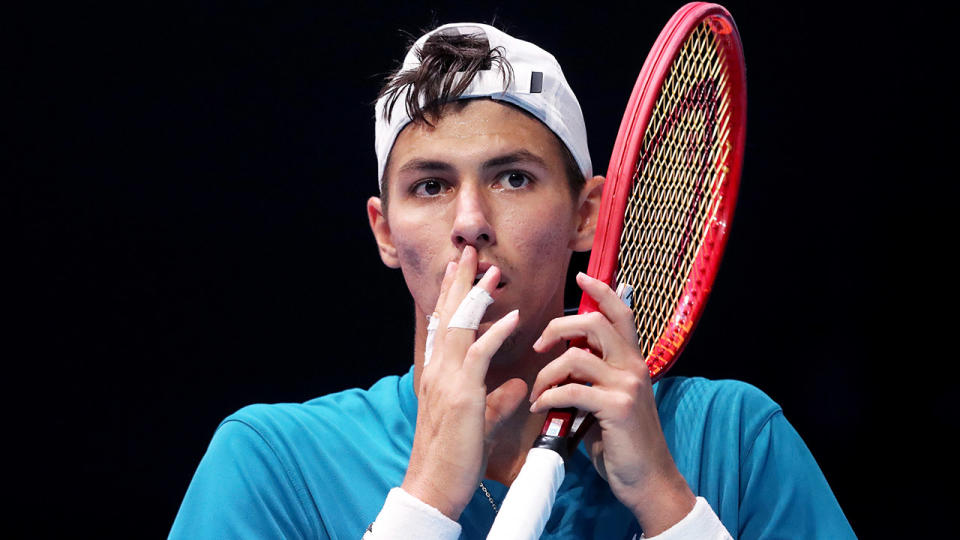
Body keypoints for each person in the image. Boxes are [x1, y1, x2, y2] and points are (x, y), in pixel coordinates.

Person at [170, 23, 855, 539]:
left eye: (513, 178)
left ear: (586, 215)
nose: (470, 221)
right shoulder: (271, 463)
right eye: (431, 185)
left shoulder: (731, 438)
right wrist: (428, 497)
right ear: (385, 231)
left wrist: (669, 508)